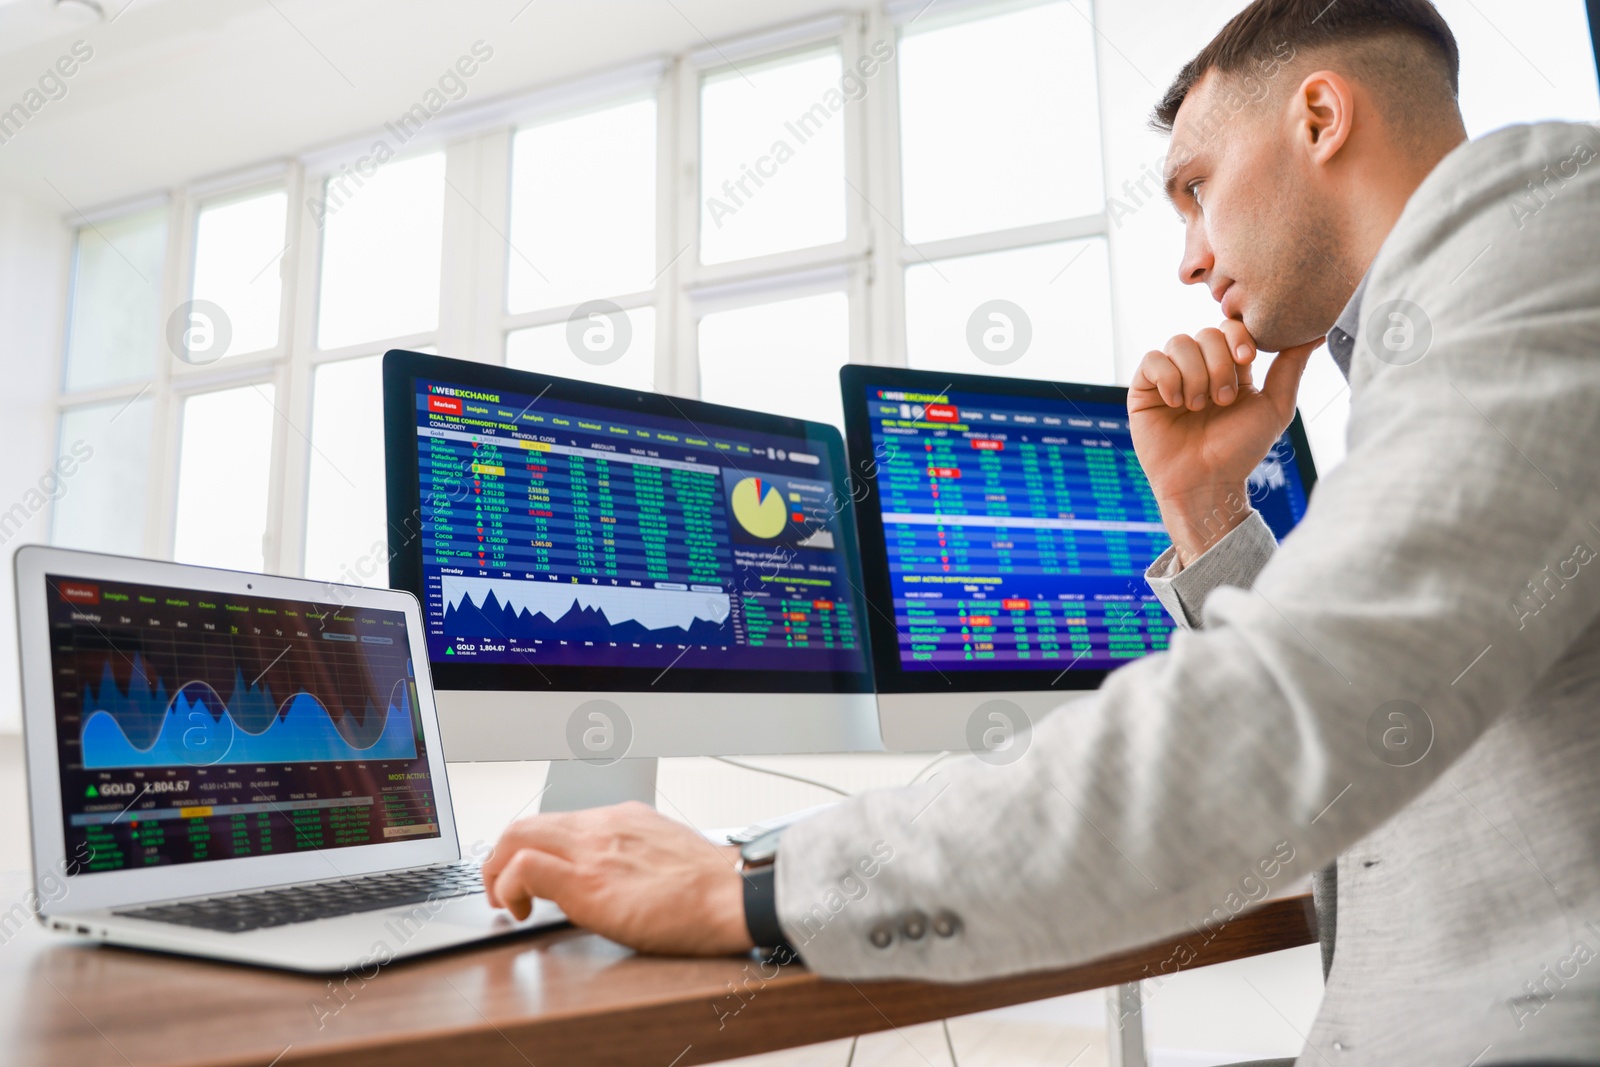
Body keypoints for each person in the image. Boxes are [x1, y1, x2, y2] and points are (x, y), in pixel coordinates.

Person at [480, 1, 1600, 1062]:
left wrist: (754, 886)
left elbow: (1297, 704)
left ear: (1318, 117)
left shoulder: (1537, 231)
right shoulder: (1454, 315)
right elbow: (1386, 710)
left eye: (1195, 187)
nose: (1190, 258)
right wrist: (1212, 509)